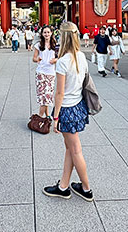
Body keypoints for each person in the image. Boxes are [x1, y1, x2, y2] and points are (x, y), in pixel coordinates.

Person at [43, 22, 93, 202]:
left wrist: (55, 117)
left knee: (76, 150)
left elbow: (60, 92)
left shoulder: (63, 61)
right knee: (70, 148)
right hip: (79, 107)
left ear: (63, 38)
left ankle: (86, 189)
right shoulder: (81, 57)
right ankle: (64, 186)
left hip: (66, 109)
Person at [33, 25, 58, 119]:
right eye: (44, 32)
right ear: (42, 34)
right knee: (42, 95)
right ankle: (47, 115)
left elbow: (61, 57)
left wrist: (55, 60)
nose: (46, 34)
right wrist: (37, 59)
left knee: (47, 95)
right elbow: (34, 58)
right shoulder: (38, 45)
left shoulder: (56, 45)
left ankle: (39, 117)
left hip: (51, 73)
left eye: (48, 32)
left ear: (51, 33)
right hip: (40, 72)